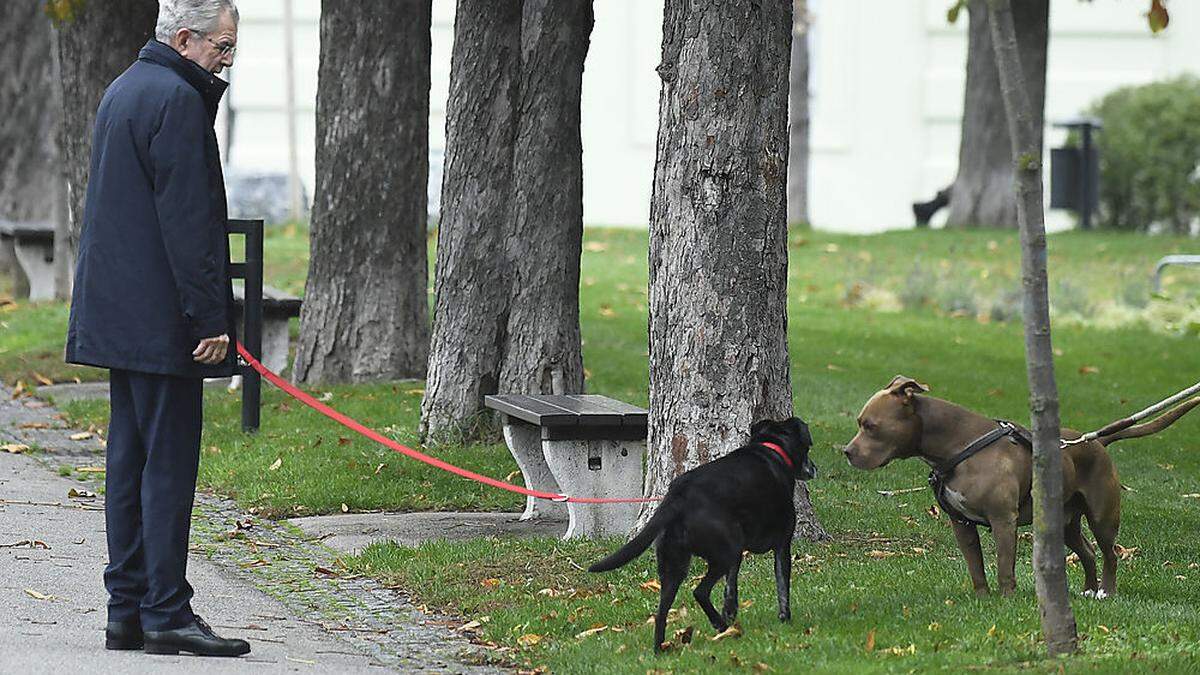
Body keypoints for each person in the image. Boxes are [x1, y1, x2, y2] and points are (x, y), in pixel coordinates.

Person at [66, 0, 250, 658]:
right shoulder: (176, 100)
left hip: (119, 310)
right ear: (183, 38)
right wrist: (211, 319)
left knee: (128, 460)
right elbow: (191, 222)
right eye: (221, 47)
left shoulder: (124, 89)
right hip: (163, 318)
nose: (227, 60)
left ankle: (127, 608)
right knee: (167, 466)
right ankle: (165, 609)